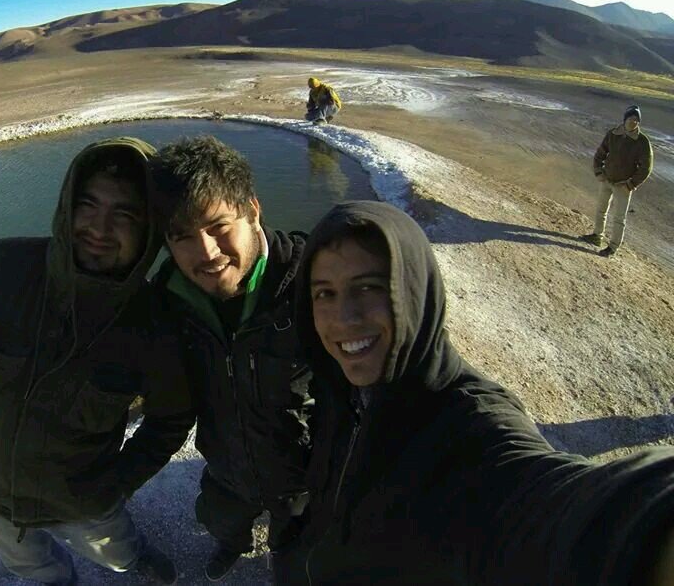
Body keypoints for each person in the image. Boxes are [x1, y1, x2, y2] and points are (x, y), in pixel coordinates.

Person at [279, 199, 674, 585]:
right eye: (324, 293)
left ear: (415, 293)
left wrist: (650, 525)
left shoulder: (469, 428)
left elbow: (558, 512)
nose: (345, 318)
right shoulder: (343, 386)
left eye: (368, 287)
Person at [0, 137, 191, 585]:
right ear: (68, 206)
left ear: (150, 229)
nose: (100, 228)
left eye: (124, 214)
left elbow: (171, 417)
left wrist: (117, 483)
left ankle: (134, 558)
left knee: (117, 549)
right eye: (88, 205)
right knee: (28, 564)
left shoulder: (153, 324)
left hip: (83, 501)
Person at [150, 136, 313, 581]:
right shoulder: (169, 302)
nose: (206, 252)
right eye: (182, 236)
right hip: (226, 465)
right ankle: (232, 544)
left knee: (295, 544)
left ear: (253, 210)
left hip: (302, 475)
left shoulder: (313, 285)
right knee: (221, 519)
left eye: (218, 226)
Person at [581, 105, 653, 257]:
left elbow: (646, 168)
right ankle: (597, 236)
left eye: (636, 120)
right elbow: (600, 153)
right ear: (625, 119)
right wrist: (599, 172)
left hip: (623, 186)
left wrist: (631, 184)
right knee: (601, 210)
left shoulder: (642, 142)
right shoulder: (613, 134)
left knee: (619, 218)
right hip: (607, 180)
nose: (633, 122)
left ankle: (612, 247)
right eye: (631, 118)